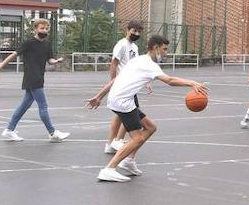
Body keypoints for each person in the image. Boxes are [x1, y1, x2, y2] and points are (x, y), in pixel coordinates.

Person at [85, 34, 208, 182]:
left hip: (119, 99)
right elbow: (169, 80)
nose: (166, 53)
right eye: (164, 49)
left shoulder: (138, 60)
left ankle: (128, 161)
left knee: (150, 127)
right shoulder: (149, 65)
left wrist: (99, 96)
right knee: (137, 139)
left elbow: (116, 79)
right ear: (155, 47)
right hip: (123, 102)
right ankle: (109, 169)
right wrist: (192, 83)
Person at [0, 18, 70, 143]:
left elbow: (49, 60)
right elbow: (14, 54)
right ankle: (52, 132)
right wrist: (0, 67)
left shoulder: (46, 44)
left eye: (46, 29)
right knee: (43, 106)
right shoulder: (28, 43)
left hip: (39, 77)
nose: (44, 30)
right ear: (35, 29)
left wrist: (56, 61)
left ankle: (9, 130)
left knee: (24, 105)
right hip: (32, 78)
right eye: (41, 28)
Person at [104, 21, 142, 155]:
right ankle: (117, 140)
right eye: (134, 31)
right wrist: (113, 80)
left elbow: (135, 65)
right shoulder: (121, 45)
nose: (136, 33)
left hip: (131, 84)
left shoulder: (135, 47)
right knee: (130, 112)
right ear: (128, 30)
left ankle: (110, 144)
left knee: (120, 115)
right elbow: (114, 63)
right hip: (123, 84)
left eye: (138, 32)